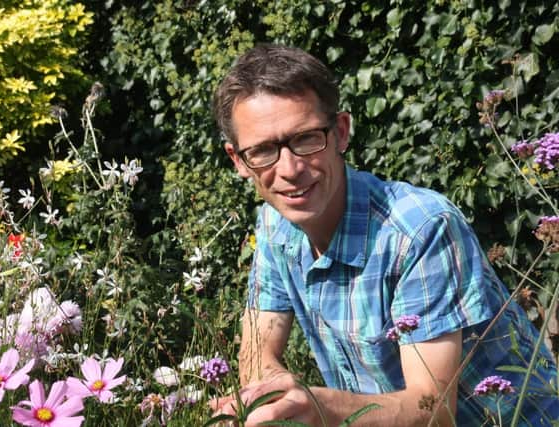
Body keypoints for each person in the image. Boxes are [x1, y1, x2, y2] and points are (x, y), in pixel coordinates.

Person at [210, 44, 558, 426]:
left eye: (306, 138)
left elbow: (434, 412)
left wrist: (319, 408)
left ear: (341, 132)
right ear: (239, 161)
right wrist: (273, 391)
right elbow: (255, 353)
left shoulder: (420, 230)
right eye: (262, 151)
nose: (289, 169)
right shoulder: (275, 226)